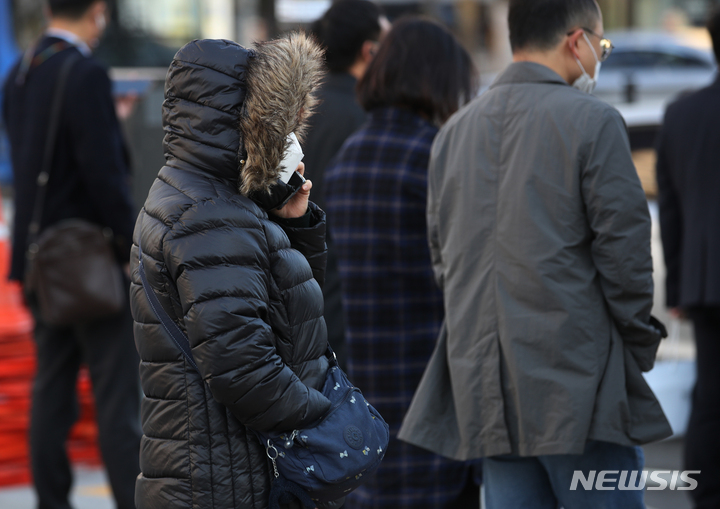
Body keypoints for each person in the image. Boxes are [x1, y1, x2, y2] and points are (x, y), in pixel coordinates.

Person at [398, 1, 672, 508]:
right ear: (576, 41)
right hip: (578, 386)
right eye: (601, 45)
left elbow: (443, 261)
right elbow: (627, 260)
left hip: (486, 388)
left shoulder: (453, 134)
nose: (599, 56)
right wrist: (636, 344)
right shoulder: (594, 122)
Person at [130, 34, 344, 509]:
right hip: (221, 479)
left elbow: (281, 312)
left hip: (212, 469)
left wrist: (293, 223)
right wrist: (326, 416)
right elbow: (244, 368)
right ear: (237, 117)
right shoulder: (207, 215)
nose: (283, 135)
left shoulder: (203, 198)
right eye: (272, 118)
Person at [325, 17, 481, 509]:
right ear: (439, 79)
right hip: (434, 404)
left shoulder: (348, 157)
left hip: (365, 401)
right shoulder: (438, 155)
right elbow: (469, 285)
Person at [2, 1, 141, 508]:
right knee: (116, 397)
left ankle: (52, 501)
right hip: (91, 262)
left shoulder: (20, 71)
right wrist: (130, 247)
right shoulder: (85, 74)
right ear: (98, 12)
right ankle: (131, 499)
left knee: (51, 390)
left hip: (41, 261)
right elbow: (103, 176)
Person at [656, 8, 720, 508]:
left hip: (705, 283)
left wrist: (677, 288)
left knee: (711, 396)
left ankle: (706, 494)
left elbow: (671, 210)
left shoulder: (681, 114)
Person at [304, 0, 389, 370]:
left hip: (285, 297)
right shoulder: (368, 121)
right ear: (369, 51)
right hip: (350, 304)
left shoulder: (295, 111)